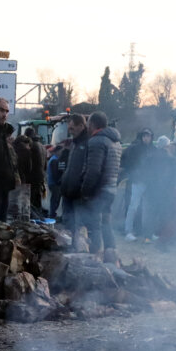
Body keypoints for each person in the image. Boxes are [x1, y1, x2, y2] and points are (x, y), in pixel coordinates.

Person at [76, 111, 122, 262]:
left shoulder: (97, 141)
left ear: (93, 124)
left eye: (88, 123)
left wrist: (85, 191)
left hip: (98, 191)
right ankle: (111, 257)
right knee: (106, 224)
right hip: (111, 189)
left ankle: (94, 259)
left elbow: (93, 171)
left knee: (94, 225)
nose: (87, 127)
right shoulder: (115, 142)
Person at [121, 129, 156, 240]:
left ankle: (148, 233)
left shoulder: (154, 149)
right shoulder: (134, 148)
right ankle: (128, 231)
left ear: (151, 137)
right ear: (141, 137)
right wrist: (133, 175)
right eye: (144, 136)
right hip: (137, 181)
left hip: (149, 182)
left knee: (148, 208)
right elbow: (128, 163)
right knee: (133, 206)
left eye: (148, 136)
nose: (146, 138)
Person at [58, 114, 90, 229]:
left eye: (72, 128)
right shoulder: (74, 143)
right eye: (69, 128)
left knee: (78, 228)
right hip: (68, 192)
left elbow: (88, 169)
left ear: (81, 126)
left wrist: (81, 189)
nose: (70, 131)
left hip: (78, 195)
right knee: (67, 227)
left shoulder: (88, 143)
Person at [14, 126, 46, 219]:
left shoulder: (30, 147)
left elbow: (28, 165)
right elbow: (45, 165)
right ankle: (40, 220)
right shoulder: (42, 146)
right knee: (38, 202)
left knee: (30, 203)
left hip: (31, 178)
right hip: (40, 177)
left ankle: (35, 221)